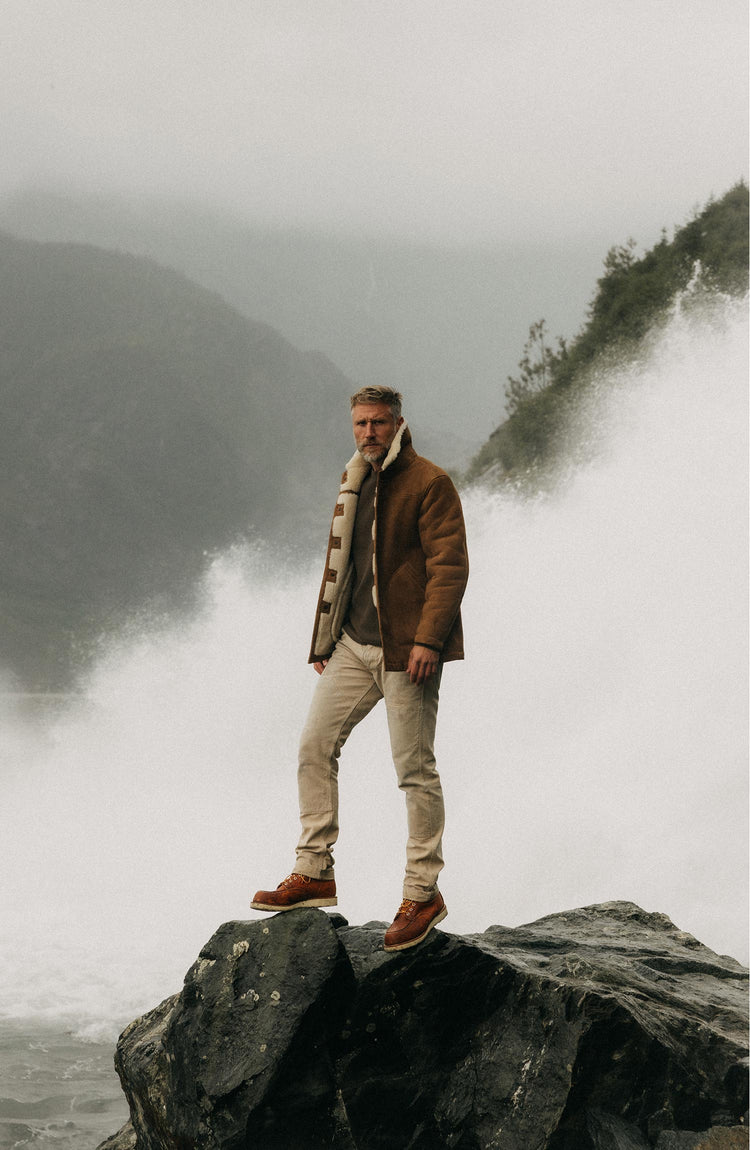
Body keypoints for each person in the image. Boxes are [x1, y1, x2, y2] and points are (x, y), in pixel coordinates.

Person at [251, 385, 468, 951]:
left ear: (398, 423)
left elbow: (450, 568)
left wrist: (428, 640)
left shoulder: (430, 483)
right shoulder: (356, 479)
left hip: (406, 652)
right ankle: (314, 870)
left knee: (414, 770)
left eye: (377, 423)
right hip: (352, 644)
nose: (368, 433)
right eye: (360, 424)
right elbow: (341, 567)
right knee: (313, 746)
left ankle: (423, 893)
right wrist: (325, 639)